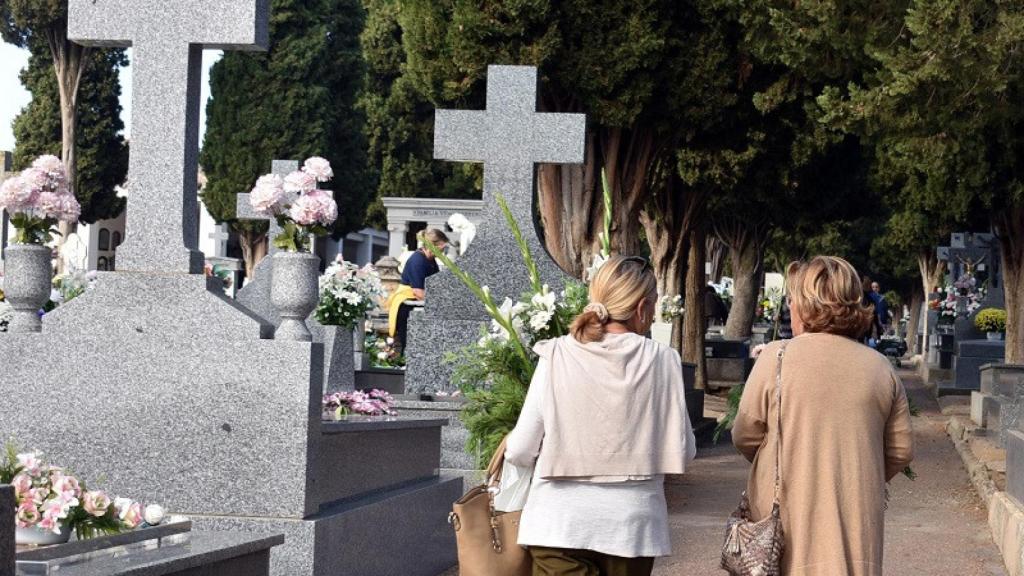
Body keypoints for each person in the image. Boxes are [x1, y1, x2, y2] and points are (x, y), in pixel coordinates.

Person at [505, 256, 697, 576]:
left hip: (557, 526)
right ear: (642, 308)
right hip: (632, 530)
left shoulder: (556, 353)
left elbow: (521, 448)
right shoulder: (664, 360)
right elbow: (684, 451)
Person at [732, 256, 914, 576]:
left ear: (803, 305)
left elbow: (745, 434)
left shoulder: (776, 358)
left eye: (792, 299)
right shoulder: (880, 368)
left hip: (784, 517)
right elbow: (900, 450)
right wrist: (857, 473)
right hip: (856, 518)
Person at [386, 229, 449, 350]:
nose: (443, 251)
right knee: (410, 347)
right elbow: (418, 292)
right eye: (442, 247)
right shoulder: (418, 261)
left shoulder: (430, 260)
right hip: (408, 307)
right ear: (433, 245)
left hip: (417, 305)